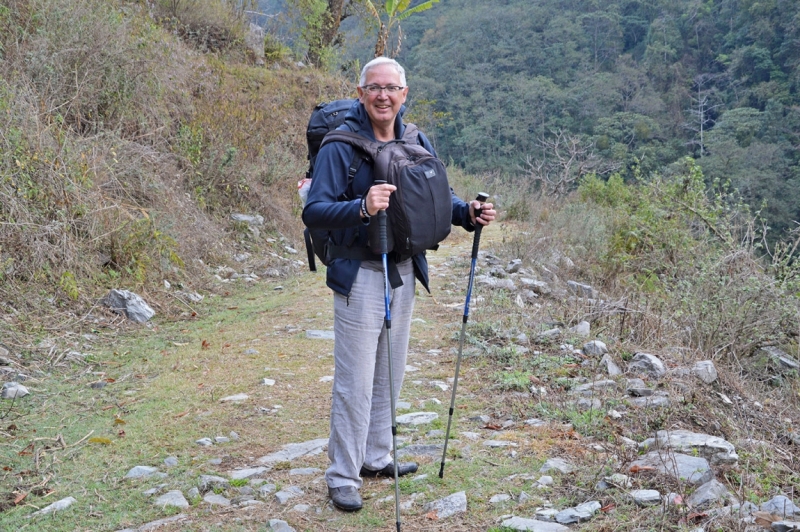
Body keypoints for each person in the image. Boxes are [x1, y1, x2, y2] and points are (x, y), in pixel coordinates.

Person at [302, 57, 496, 512]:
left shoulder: (415, 138)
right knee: (355, 379)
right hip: (360, 274)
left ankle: (376, 457)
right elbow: (314, 212)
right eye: (374, 88)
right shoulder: (340, 146)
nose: (383, 95)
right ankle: (343, 475)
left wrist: (466, 213)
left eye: (391, 88)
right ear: (361, 92)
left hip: (405, 270)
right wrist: (362, 207)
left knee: (390, 370)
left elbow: (432, 199)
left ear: (404, 94)